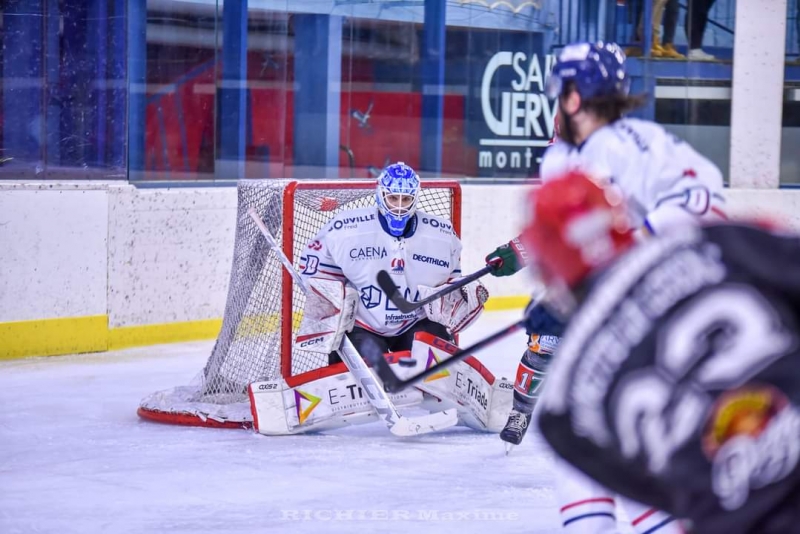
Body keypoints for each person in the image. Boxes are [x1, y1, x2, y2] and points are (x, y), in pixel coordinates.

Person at [484, 41, 725, 532]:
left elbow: (706, 201)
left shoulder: (637, 146)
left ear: (575, 97)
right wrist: (555, 288)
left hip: (652, 322)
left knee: (615, 442)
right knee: (583, 443)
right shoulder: (563, 158)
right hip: (609, 321)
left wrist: (619, 264)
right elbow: (571, 238)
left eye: (560, 94)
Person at [526, 170, 800, 533]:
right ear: (619, 222)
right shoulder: (704, 240)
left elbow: (662, 493)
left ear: (548, 271)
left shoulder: (559, 412)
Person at [297, 161, 487, 365]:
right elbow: (314, 271)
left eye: (405, 199)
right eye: (393, 198)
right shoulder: (346, 228)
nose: (398, 206)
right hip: (363, 324)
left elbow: (451, 278)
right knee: (361, 376)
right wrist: (334, 302)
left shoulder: (441, 234)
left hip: (415, 322)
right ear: (381, 195)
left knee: (436, 364)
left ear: (415, 199)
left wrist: (458, 295)